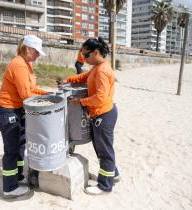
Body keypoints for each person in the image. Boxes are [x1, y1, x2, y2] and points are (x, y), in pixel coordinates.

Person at [0, 35, 48, 198]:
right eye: (37, 52)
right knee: (11, 149)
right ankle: (9, 188)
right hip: (7, 110)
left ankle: (17, 176)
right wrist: (44, 99)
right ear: (28, 49)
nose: (38, 55)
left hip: (18, 109)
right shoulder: (19, 65)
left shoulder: (27, 64)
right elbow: (26, 94)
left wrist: (46, 94)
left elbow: (32, 88)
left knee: (20, 144)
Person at [64, 37, 120, 195]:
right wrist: (68, 80)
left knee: (104, 151)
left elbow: (100, 97)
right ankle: (113, 174)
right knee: (102, 149)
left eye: (86, 55)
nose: (84, 59)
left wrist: (81, 102)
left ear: (96, 52)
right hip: (102, 113)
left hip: (104, 114)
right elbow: (84, 77)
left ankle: (105, 186)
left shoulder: (102, 70)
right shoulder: (98, 66)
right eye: (82, 56)